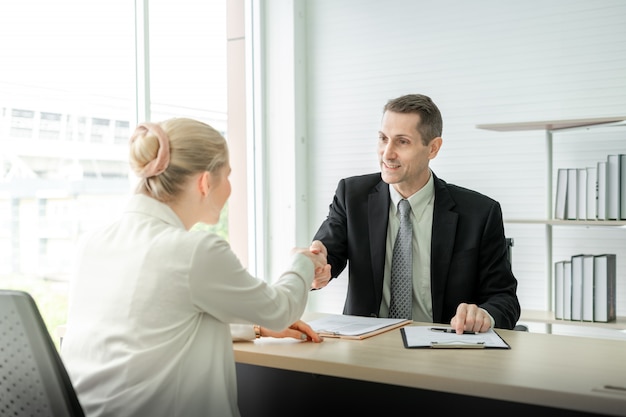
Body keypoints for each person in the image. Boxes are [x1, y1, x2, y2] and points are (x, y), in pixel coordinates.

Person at [60, 118, 326, 417]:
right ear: (205, 182)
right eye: (227, 175)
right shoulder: (194, 251)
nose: (230, 188)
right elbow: (281, 309)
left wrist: (253, 327)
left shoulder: (92, 243)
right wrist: (303, 262)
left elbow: (148, 325)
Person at [311, 93, 520, 334]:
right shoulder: (352, 195)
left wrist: (484, 315)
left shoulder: (480, 214)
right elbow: (327, 254)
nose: (387, 153)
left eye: (402, 142)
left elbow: (505, 299)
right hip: (367, 348)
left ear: (433, 148)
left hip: (443, 349)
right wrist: (313, 266)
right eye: (383, 138)